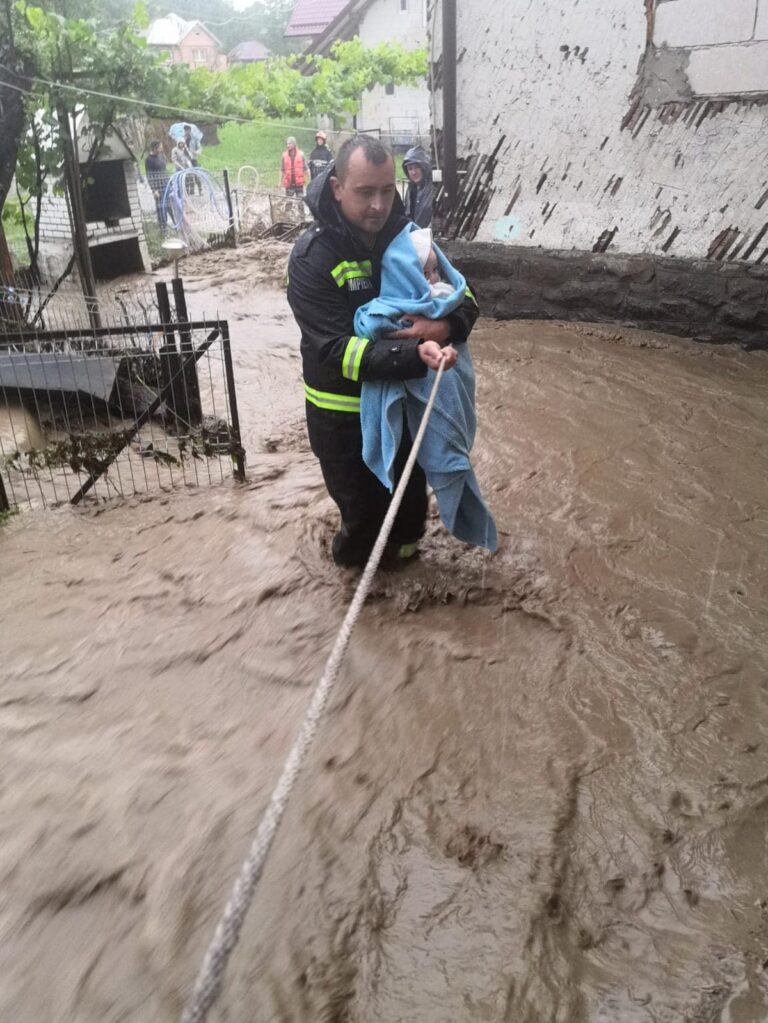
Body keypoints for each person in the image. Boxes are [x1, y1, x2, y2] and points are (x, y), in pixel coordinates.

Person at [286, 134, 479, 569]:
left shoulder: (410, 239)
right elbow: (337, 351)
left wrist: (444, 325)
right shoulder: (311, 258)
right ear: (336, 187)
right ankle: (357, 593)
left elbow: (466, 299)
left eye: (387, 191)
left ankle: (405, 593)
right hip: (340, 417)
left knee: (410, 518)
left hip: (403, 405)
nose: (378, 205)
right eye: (364, 192)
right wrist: (417, 354)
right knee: (365, 521)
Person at [402, 144, 434, 228]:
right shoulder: (411, 189)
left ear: (423, 168)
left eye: (416, 168)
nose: (413, 172)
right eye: (410, 169)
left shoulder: (432, 188)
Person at [144, 140, 169, 230]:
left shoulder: (161, 156)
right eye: (160, 147)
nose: (162, 149)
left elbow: (164, 170)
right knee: (161, 208)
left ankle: (172, 226)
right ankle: (163, 228)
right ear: (154, 148)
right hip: (159, 187)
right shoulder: (149, 160)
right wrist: (154, 190)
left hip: (166, 184)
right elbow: (149, 176)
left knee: (168, 206)